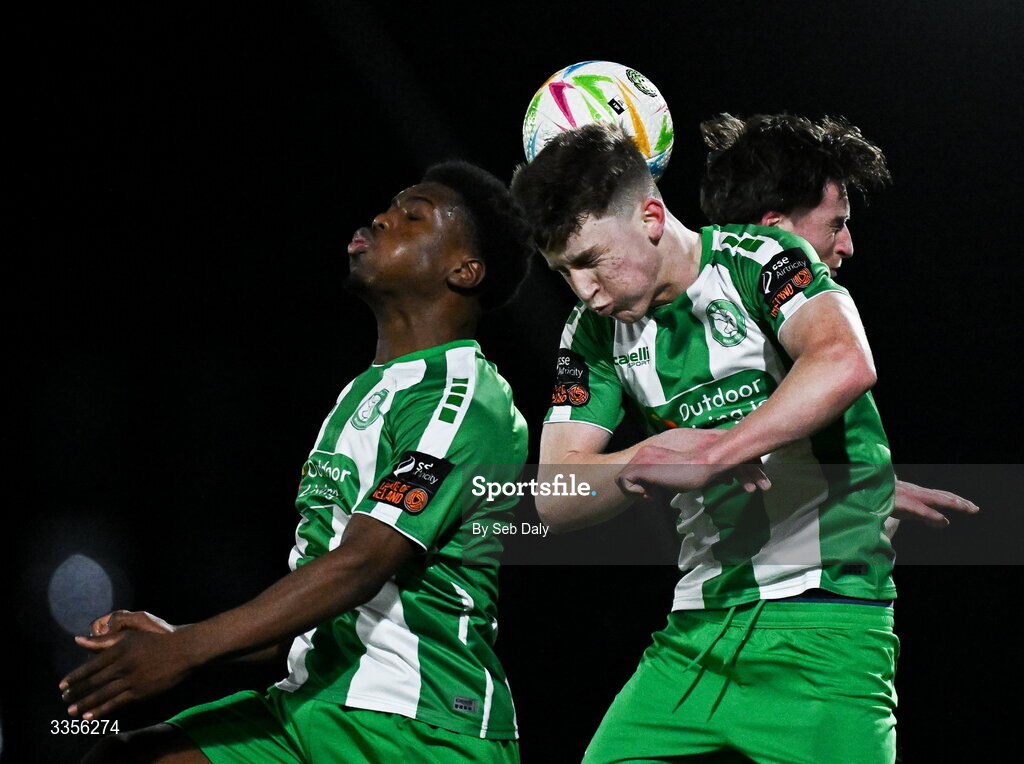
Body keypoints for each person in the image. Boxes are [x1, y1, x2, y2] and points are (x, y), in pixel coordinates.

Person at [61, 161, 534, 763]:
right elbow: (321, 595)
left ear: (464, 271)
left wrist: (189, 650)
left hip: (418, 729)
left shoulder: (463, 395)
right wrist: (177, 638)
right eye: (389, 207)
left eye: (413, 217)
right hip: (308, 706)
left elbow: (363, 563)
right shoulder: (366, 393)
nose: (382, 217)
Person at [511, 122, 901, 763]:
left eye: (589, 261)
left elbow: (843, 361)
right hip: (693, 635)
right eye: (564, 272)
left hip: (825, 626)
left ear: (652, 215)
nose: (583, 290)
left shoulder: (761, 258)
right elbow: (555, 495)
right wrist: (643, 459)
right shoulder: (590, 333)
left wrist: (719, 452)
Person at [699, 112, 978, 530]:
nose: (847, 246)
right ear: (773, 232)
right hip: (802, 585)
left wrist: (861, 481)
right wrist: (708, 459)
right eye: (837, 225)